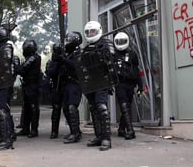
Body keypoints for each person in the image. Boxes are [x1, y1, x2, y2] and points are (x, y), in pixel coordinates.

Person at [82, 21, 114, 151]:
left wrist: (100, 51)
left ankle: (106, 138)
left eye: (93, 31)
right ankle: (99, 136)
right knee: (93, 108)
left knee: (101, 107)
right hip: (91, 82)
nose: (91, 34)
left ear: (99, 31)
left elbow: (110, 58)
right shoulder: (86, 48)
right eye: (88, 32)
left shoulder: (106, 44)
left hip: (103, 80)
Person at [113, 32, 143, 140]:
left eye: (122, 41)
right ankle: (130, 130)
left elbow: (136, 70)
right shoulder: (114, 56)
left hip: (130, 84)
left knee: (127, 107)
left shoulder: (132, 54)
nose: (120, 44)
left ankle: (121, 129)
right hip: (120, 84)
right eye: (118, 42)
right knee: (124, 106)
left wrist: (140, 86)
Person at [15, 39, 42, 138]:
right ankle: (26, 128)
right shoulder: (31, 58)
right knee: (26, 108)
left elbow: (21, 70)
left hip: (33, 86)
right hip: (28, 85)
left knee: (33, 108)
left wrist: (16, 64)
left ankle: (34, 130)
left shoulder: (33, 58)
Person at [60, 31, 83, 144]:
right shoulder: (68, 53)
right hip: (68, 83)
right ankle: (74, 130)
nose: (67, 42)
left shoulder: (79, 52)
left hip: (76, 83)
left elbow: (76, 66)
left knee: (72, 107)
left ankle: (76, 134)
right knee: (65, 108)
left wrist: (64, 60)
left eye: (69, 40)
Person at [45, 43, 65, 139]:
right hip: (56, 87)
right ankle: (54, 131)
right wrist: (57, 65)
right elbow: (49, 73)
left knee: (68, 109)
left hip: (65, 86)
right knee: (56, 109)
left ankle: (75, 130)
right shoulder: (52, 61)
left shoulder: (65, 58)